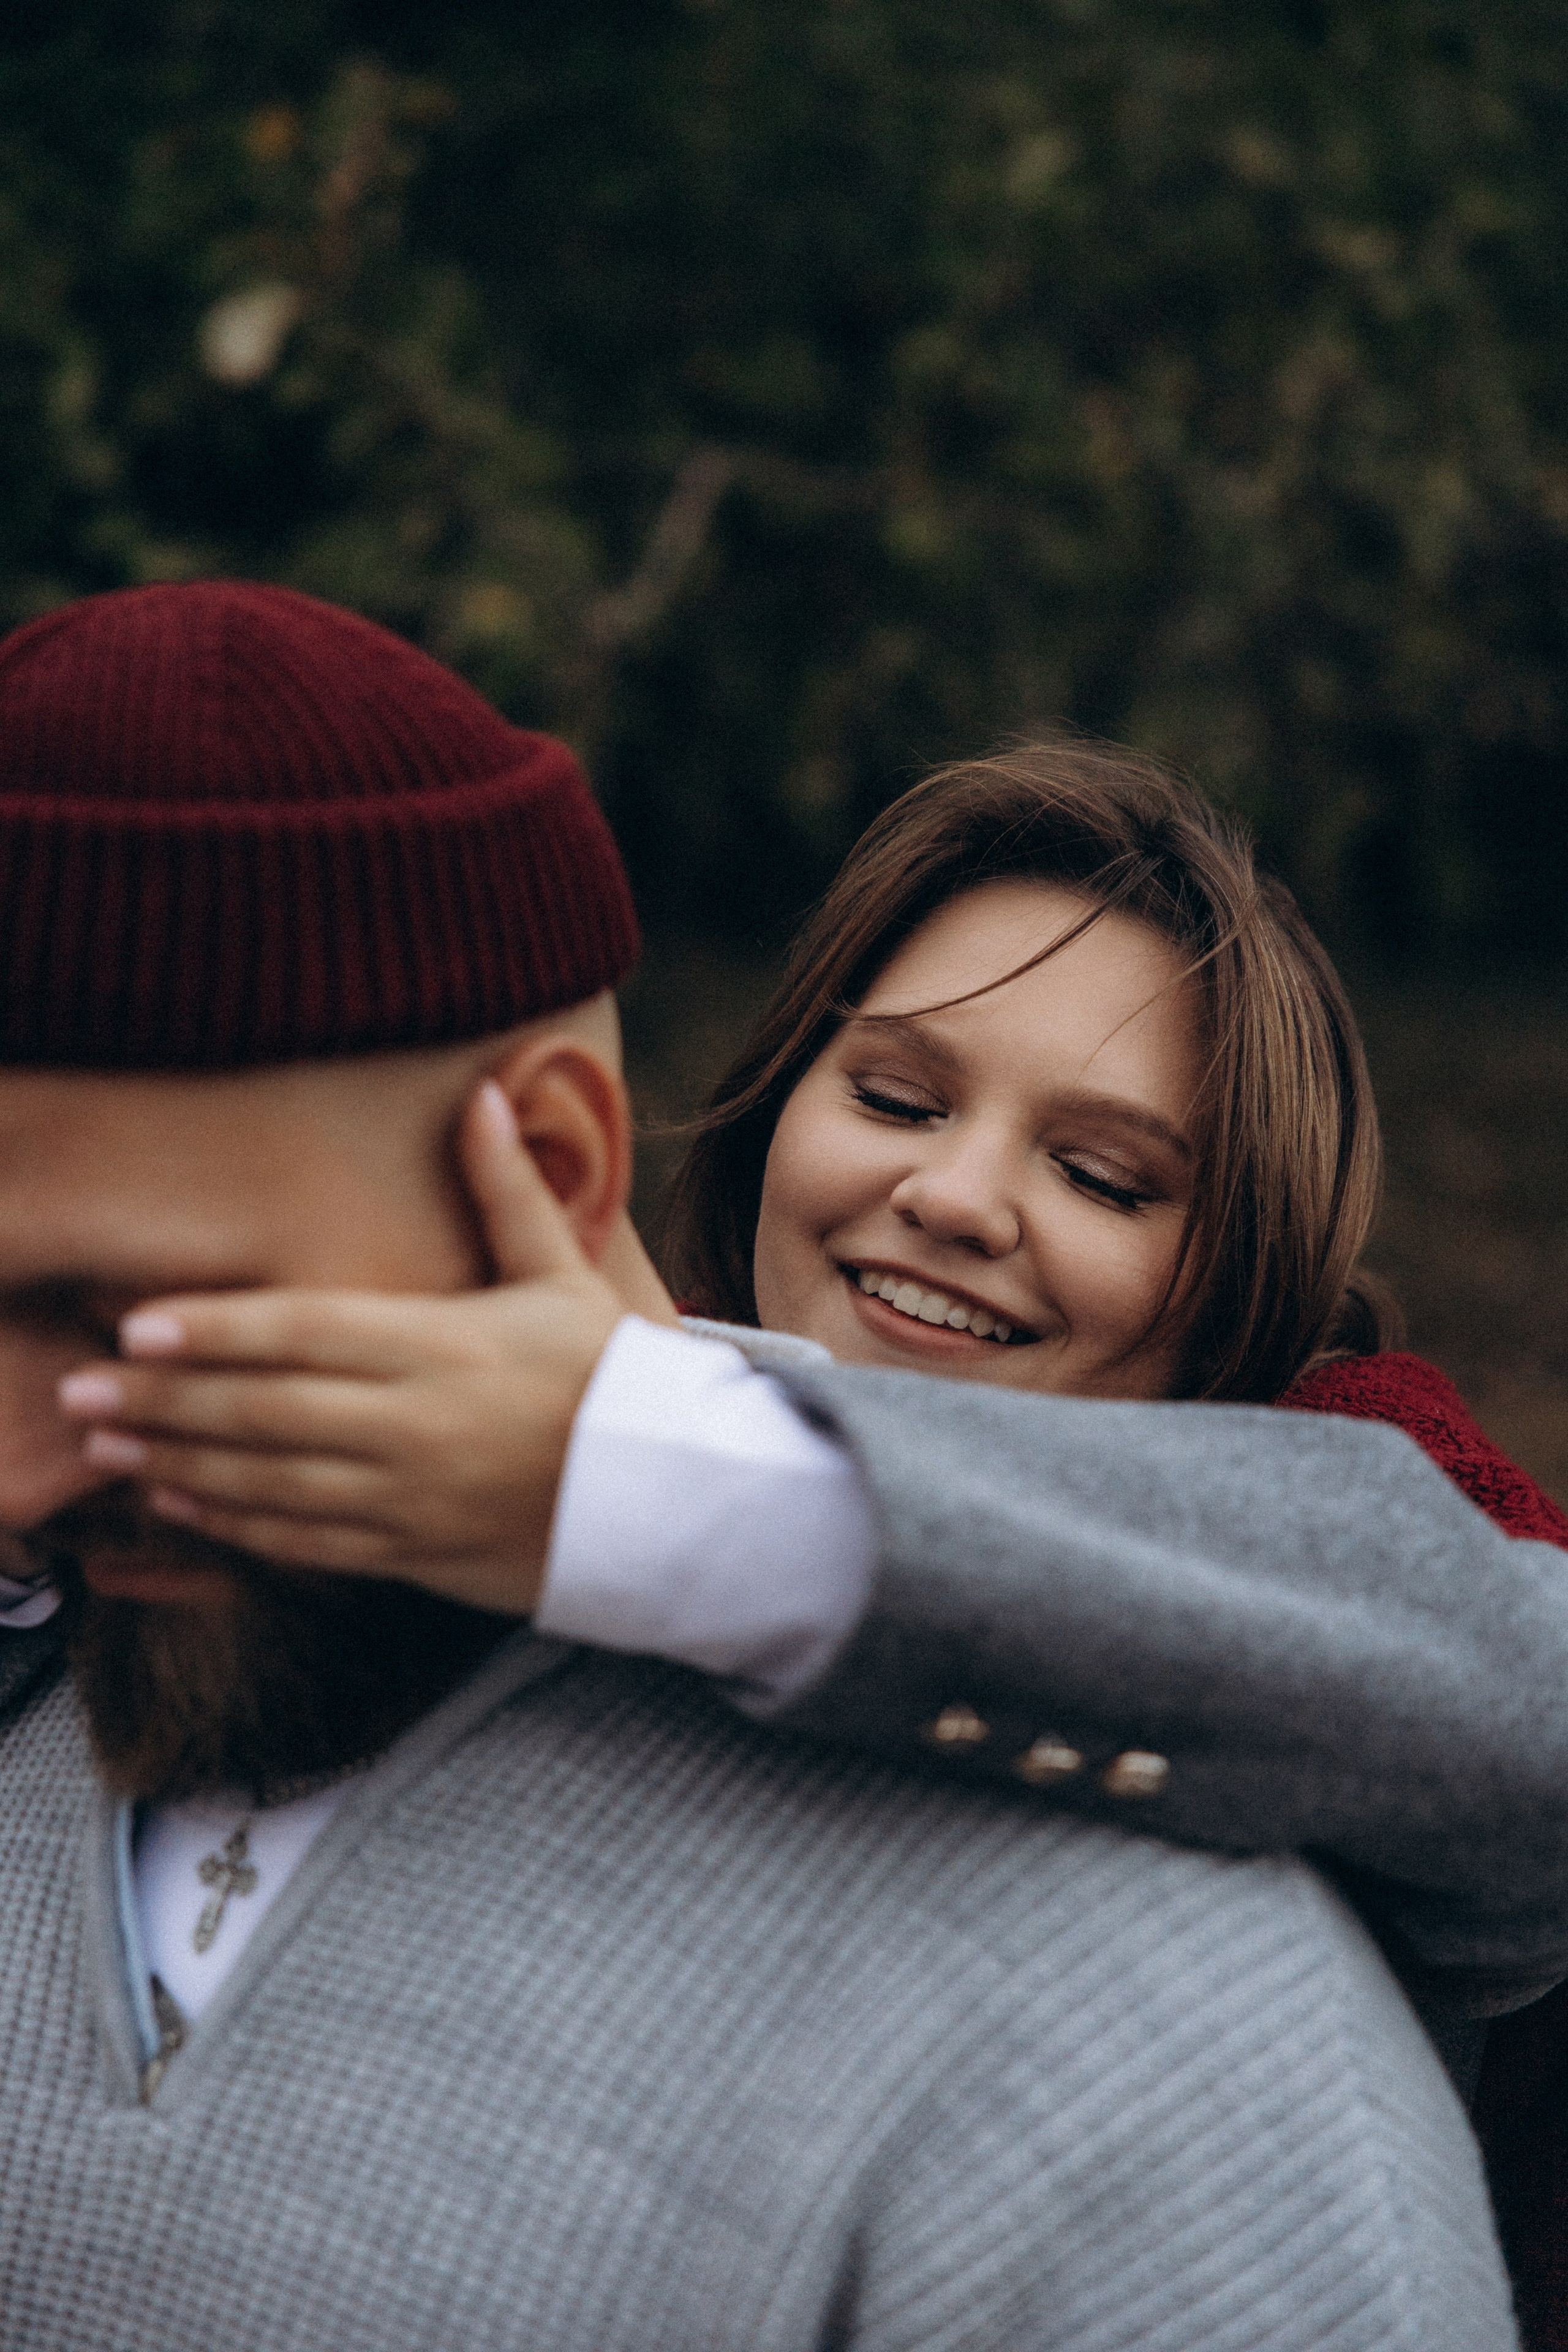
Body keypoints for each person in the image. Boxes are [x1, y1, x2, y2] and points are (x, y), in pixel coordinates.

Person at [0, 580, 1518, 2351]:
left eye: (1108, 1180)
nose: (955, 1198)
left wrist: (657, 1477)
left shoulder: (1176, 1937)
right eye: (893, 1095)